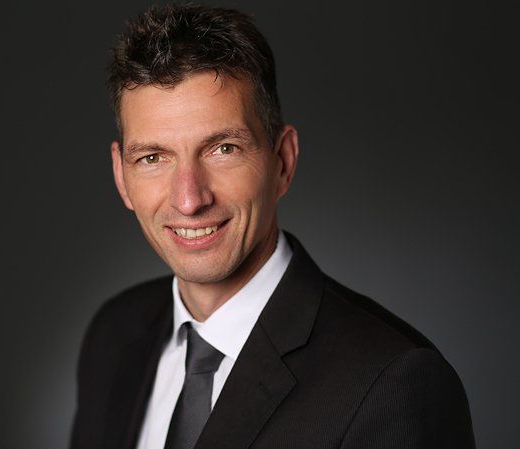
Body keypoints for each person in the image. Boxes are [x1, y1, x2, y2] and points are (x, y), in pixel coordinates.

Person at [70, 4, 475, 449]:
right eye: (152, 158)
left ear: (283, 161)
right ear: (121, 175)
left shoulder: (394, 384)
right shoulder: (114, 336)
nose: (189, 199)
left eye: (223, 149)